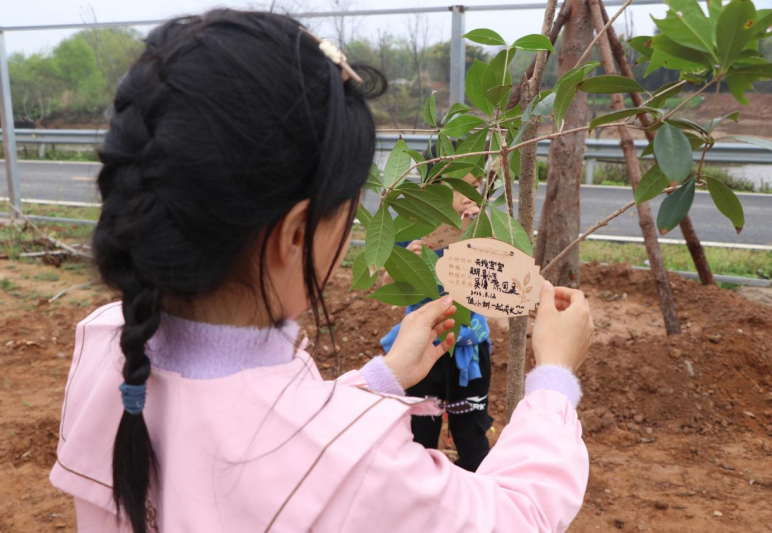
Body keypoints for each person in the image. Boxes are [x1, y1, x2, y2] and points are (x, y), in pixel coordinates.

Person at [50, 10, 594, 533]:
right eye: (348, 210)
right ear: (294, 235)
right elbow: (518, 516)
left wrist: (383, 378)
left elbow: (261, 427)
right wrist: (553, 380)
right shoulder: (360, 466)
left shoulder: (108, 347)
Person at [379, 171, 495, 472]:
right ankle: (419, 488)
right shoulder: (413, 229)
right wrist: (406, 259)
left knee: (472, 432)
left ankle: (475, 486)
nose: (471, 193)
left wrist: (483, 239)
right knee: (420, 432)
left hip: (469, 347)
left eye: (476, 186)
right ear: (437, 189)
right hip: (421, 347)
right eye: (462, 186)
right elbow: (386, 285)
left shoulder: (483, 226)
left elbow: (499, 283)